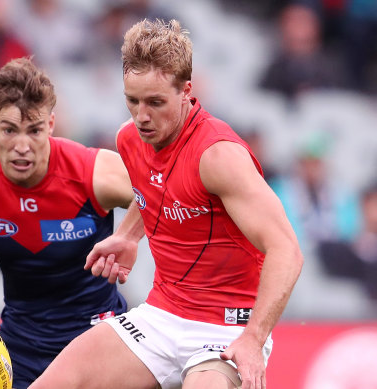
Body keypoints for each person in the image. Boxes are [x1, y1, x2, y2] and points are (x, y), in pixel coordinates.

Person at [28, 19, 303, 389]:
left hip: (225, 330)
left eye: (155, 102)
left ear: (186, 91)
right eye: (132, 100)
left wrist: (253, 339)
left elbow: (286, 249)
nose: (141, 116)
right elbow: (159, 187)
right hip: (160, 317)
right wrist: (128, 236)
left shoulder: (218, 157)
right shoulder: (129, 139)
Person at [0, 56, 133, 388]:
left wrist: (131, 235)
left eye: (34, 130)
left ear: (52, 124)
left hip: (100, 337)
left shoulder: (96, 173)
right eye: (9, 130)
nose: (22, 146)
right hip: (20, 348)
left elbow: (165, 195)